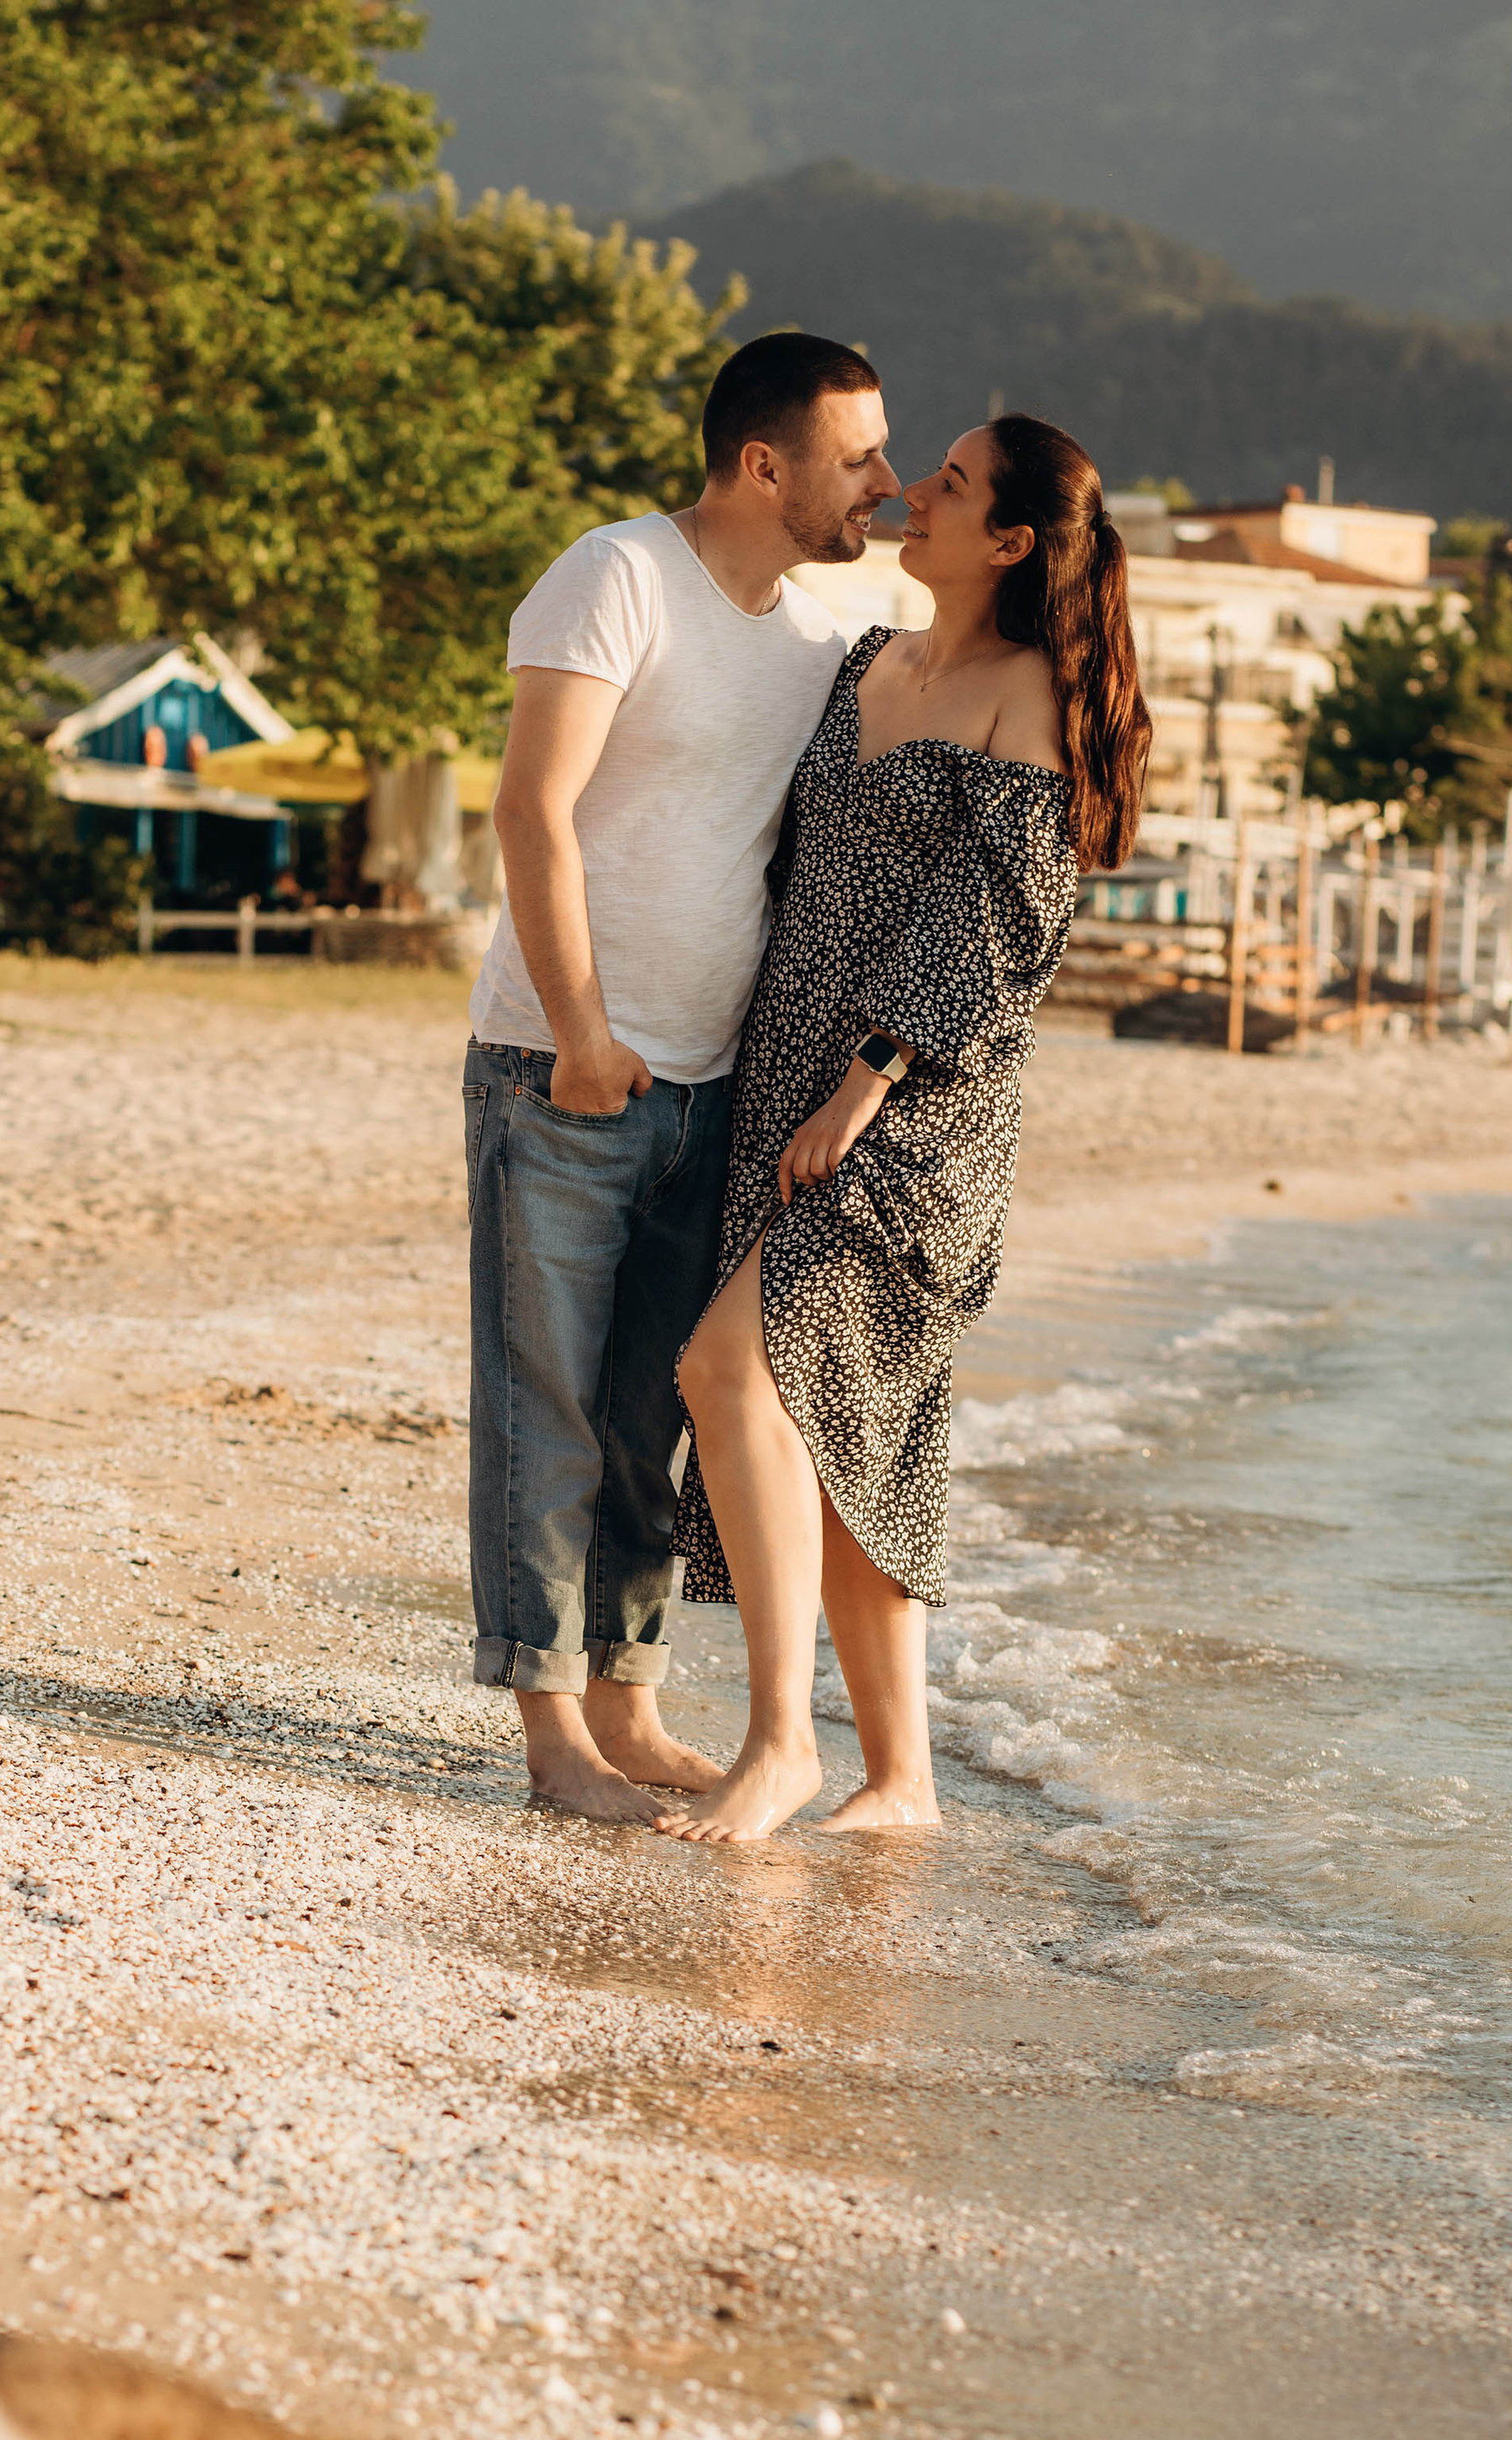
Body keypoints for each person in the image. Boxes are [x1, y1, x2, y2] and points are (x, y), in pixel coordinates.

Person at [663, 413, 1152, 1844]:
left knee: (727, 1369)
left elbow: (1000, 924)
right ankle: (906, 1781)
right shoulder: (866, 661)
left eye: (950, 484)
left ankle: (780, 1745)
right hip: (786, 1080)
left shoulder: (1027, 692)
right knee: (847, 1423)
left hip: (915, 1111)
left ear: (1010, 540)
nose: (912, 495)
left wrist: (866, 1083)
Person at [464, 335, 902, 1822]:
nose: (887, 481)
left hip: (716, 1091)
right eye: (859, 455)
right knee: (544, 1406)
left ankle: (630, 1707)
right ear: (765, 465)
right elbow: (531, 809)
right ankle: (553, 1742)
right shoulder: (616, 575)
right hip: (560, 1068)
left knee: (650, 1415)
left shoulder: (820, 641)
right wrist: (584, 1034)